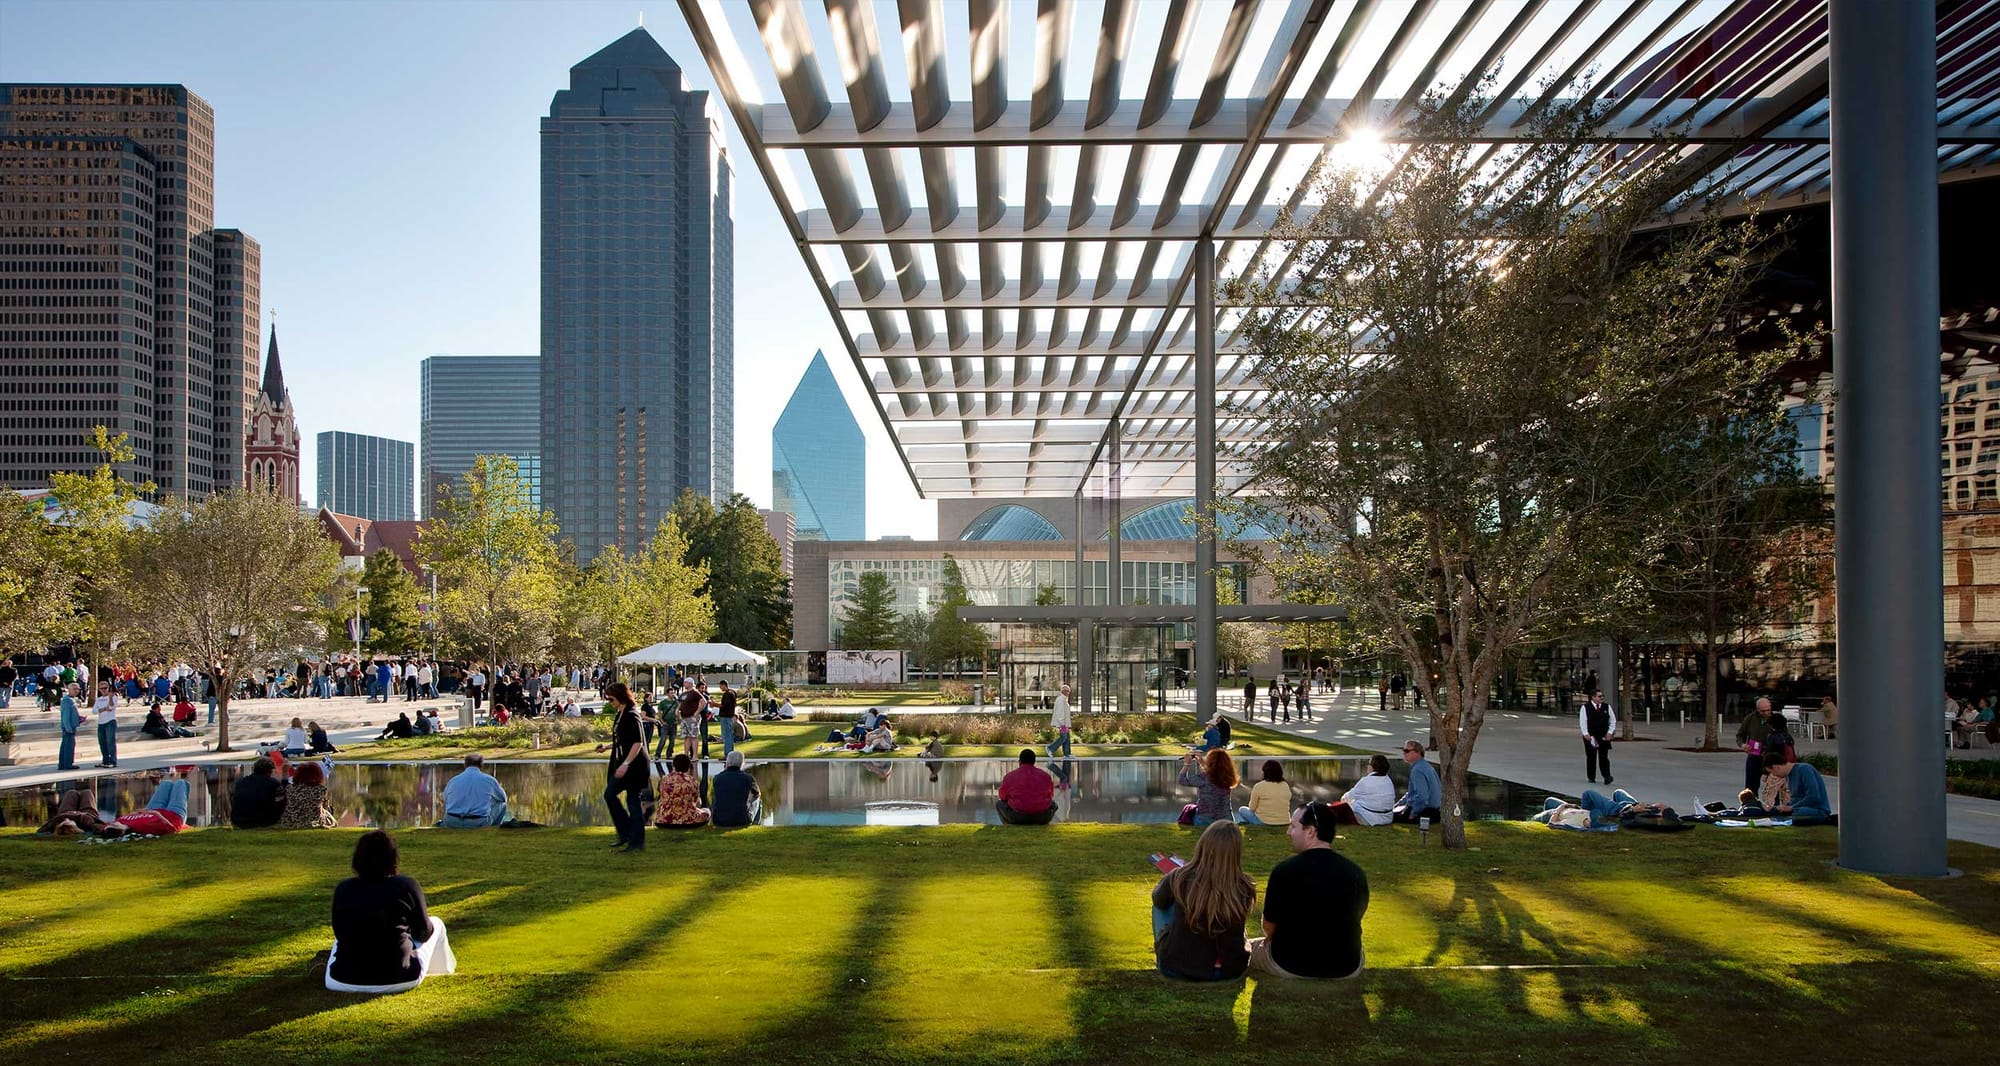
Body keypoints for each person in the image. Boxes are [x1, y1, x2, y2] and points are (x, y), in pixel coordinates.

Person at [1246, 801, 1369, 980]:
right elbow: (1356, 916)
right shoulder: (1356, 873)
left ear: (1310, 831)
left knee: (1247, 948)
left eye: (1293, 826)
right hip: (1345, 966)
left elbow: (1268, 926)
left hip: (1290, 964)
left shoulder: (1284, 871)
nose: (1288, 832)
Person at [327, 830, 457, 994]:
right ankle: (444, 973)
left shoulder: (343, 889)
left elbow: (340, 934)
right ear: (392, 859)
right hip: (400, 978)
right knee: (437, 924)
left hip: (341, 980)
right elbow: (425, 932)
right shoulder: (406, 885)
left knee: (340, 941)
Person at [1150, 821, 1256, 981]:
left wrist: (1167, 882)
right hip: (1227, 970)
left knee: (1161, 905)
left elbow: (1158, 900)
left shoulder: (1180, 877)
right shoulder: (1244, 886)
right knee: (1232, 913)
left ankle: (1172, 947)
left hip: (1177, 968)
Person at [603, 682, 650, 850]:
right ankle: (625, 833)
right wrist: (607, 747)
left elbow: (637, 743)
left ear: (620, 697)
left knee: (632, 800)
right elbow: (622, 739)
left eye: (611, 699)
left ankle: (635, 840)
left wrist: (626, 763)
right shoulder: (620, 714)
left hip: (634, 765)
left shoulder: (632, 714)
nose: (609, 702)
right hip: (622, 761)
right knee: (610, 795)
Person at [1761, 749, 1835, 825]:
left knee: (1799, 813)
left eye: (1772, 772)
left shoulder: (1804, 769)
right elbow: (1796, 799)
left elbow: (1814, 796)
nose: (1774, 775)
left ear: (1776, 767)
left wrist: (1792, 808)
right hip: (1799, 808)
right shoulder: (1789, 776)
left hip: (1816, 809)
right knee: (1773, 811)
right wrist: (1780, 807)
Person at [1532, 788, 1669, 828]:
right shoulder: (1652, 812)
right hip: (1580, 811)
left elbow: (1552, 823)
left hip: (1616, 810)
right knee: (1618, 792)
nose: (1658, 805)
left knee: (1550, 802)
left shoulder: (1644, 818)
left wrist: (1561, 809)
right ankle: (1584, 810)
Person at [441, 753, 509, 828]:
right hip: (478, 823)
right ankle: (494, 827)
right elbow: (503, 798)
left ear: (465, 764)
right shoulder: (489, 780)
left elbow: (445, 799)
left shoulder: (453, 780)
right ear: (481, 765)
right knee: (502, 804)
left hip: (451, 822)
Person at [112, 772, 191, 836]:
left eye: (112, 824)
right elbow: (172, 829)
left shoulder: (120, 821)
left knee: (166, 783)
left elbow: (134, 814)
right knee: (180, 783)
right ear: (122, 831)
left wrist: (138, 812)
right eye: (115, 826)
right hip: (173, 815)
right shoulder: (143, 828)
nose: (115, 824)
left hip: (153, 808)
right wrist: (154, 813)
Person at [1179, 748, 1239, 828]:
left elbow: (1182, 780)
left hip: (1205, 820)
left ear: (1210, 762)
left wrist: (1187, 764)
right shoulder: (1228, 777)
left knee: (1189, 809)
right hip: (1226, 820)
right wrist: (1201, 763)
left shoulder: (1204, 777)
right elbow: (1214, 773)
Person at [1331, 755, 1397, 827]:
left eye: (1369, 764)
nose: (1367, 766)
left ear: (1373, 766)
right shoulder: (1388, 780)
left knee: (1339, 809)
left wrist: (1343, 799)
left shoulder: (1365, 781)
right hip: (1387, 818)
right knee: (1352, 802)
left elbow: (1346, 798)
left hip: (1368, 819)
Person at [997, 748, 1056, 825]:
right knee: (1053, 804)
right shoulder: (1045, 776)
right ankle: (1043, 824)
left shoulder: (1010, 776)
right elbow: (1051, 795)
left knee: (999, 804)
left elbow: (1002, 796)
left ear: (1020, 761)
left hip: (1018, 816)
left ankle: (1008, 825)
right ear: (1034, 761)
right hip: (1042, 816)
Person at [1736, 697, 1782, 793]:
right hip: (1754, 756)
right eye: (1763, 711)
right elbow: (1740, 735)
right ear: (1757, 710)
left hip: (1771, 758)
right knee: (1750, 787)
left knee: (1773, 788)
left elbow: (1783, 737)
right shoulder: (1750, 718)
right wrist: (1743, 745)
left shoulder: (1777, 719)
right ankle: (1751, 806)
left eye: (1768, 710)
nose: (1766, 713)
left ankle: (1774, 807)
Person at [1391, 740, 1441, 824]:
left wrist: (1413, 813)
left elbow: (1422, 797)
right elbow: (1412, 793)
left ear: (1417, 753)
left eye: (1407, 751)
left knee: (1388, 818)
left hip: (1426, 812)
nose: (1404, 753)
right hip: (1434, 811)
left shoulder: (1417, 770)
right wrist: (1397, 805)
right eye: (1403, 750)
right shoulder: (1425, 766)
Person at [653, 753, 710, 828]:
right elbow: (697, 802)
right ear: (688, 767)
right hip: (686, 821)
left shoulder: (664, 780)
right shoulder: (691, 781)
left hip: (663, 820)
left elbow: (661, 796)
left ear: (674, 765)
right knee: (707, 811)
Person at [230, 756, 287, 828]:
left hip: (238, 820)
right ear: (270, 770)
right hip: (263, 821)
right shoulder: (274, 784)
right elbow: (281, 803)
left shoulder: (241, 782)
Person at [278, 760, 338, 829]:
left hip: (290, 821)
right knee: (329, 813)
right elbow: (324, 806)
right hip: (311, 822)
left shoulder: (290, 788)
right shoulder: (320, 790)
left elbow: (284, 785)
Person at [711, 750, 762, 828]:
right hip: (742, 820)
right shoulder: (748, 778)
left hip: (719, 820)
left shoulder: (717, 778)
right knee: (758, 800)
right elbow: (757, 794)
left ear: (727, 763)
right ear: (742, 764)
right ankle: (756, 825)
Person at [1236, 759, 1292, 827]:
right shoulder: (1285, 785)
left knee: (1242, 809)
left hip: (1264, 822)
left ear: (1265, 772)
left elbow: (1252, 808)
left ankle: (1255, 822)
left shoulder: (1259, 786)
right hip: (1284, 821)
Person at [1579, 688, 1616, 785]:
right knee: (1591, 756)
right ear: (1593, 697)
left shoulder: (1606, 707)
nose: (1601, 698)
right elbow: (1583, 721)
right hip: (1591, 736)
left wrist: (1610, 732)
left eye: (1602, 696)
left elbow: (1612, 720)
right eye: (1599, 696)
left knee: (1604, 757)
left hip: (1603, 735)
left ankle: (1607, 776)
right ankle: (1591, 776)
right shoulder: (1585, 708)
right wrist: (1585, 733)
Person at [39, 786, 107, 835]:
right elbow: (99, 828)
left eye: (63, 822)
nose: (66, 819)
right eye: (69, 822)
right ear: (75, 827)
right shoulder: (87, 824)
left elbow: (41, 830)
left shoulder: (56, 821)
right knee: (87, 792)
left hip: (66, 811)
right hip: (88, 813)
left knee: (71, 792)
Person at [675, 679, 705, 763]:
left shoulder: (695, 693)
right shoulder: (683, 694)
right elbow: (680, 703)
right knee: (686, 737)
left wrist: (697, 712)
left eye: (685, 682)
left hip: (692, 717)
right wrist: (677, 710)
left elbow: (703, 702)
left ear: (690, 683)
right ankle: (686, 754)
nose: (684, 684)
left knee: (693, 736)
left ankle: (695, 755)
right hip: (684, 717)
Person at [57, 683, 85, 771]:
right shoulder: (67, 700)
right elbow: (66, 715)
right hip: (68, 727)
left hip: (71, 725)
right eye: (74, 689)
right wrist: (68, 727)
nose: (76, 691)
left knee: (67, 744)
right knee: (68, 745)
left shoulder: (72, 699)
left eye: (78, 689)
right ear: (69, 689)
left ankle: (64, 764)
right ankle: (67, 764)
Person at [92, 681, 119, 768]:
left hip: (110, 721)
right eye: (101, 688)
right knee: (102, 742)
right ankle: (105, 760)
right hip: (101, 722)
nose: (103, 690)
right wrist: (104, 709)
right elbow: (94, 711)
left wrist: (110, 698)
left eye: (105, 688)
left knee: (110, 742)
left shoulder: (113, 697)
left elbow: (111, 707)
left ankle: (113, 761)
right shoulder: (98, 699)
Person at [1047, 683, 1073, 759]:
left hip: (1065, 723)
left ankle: (1067, 754)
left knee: (1067, 737)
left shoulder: (1063, 699)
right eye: (1068, 691)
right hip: (1063, 723)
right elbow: (1060, 712)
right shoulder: (1061, 700)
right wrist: (1062, 723)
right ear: (1064, 691)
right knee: (1063, 737)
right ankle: (1050, 748)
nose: (1068, 693)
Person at [716, 679, 739, 759]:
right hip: (729, 716)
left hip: (726, 716)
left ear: (724, 685)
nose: (720, 688)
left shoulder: (728, 694)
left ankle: (728, 754)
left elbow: (725, 706)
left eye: (720, 686)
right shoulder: (732, 692)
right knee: (728, 736)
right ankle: (729, 754)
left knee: (727, 736)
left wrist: (715, 704)